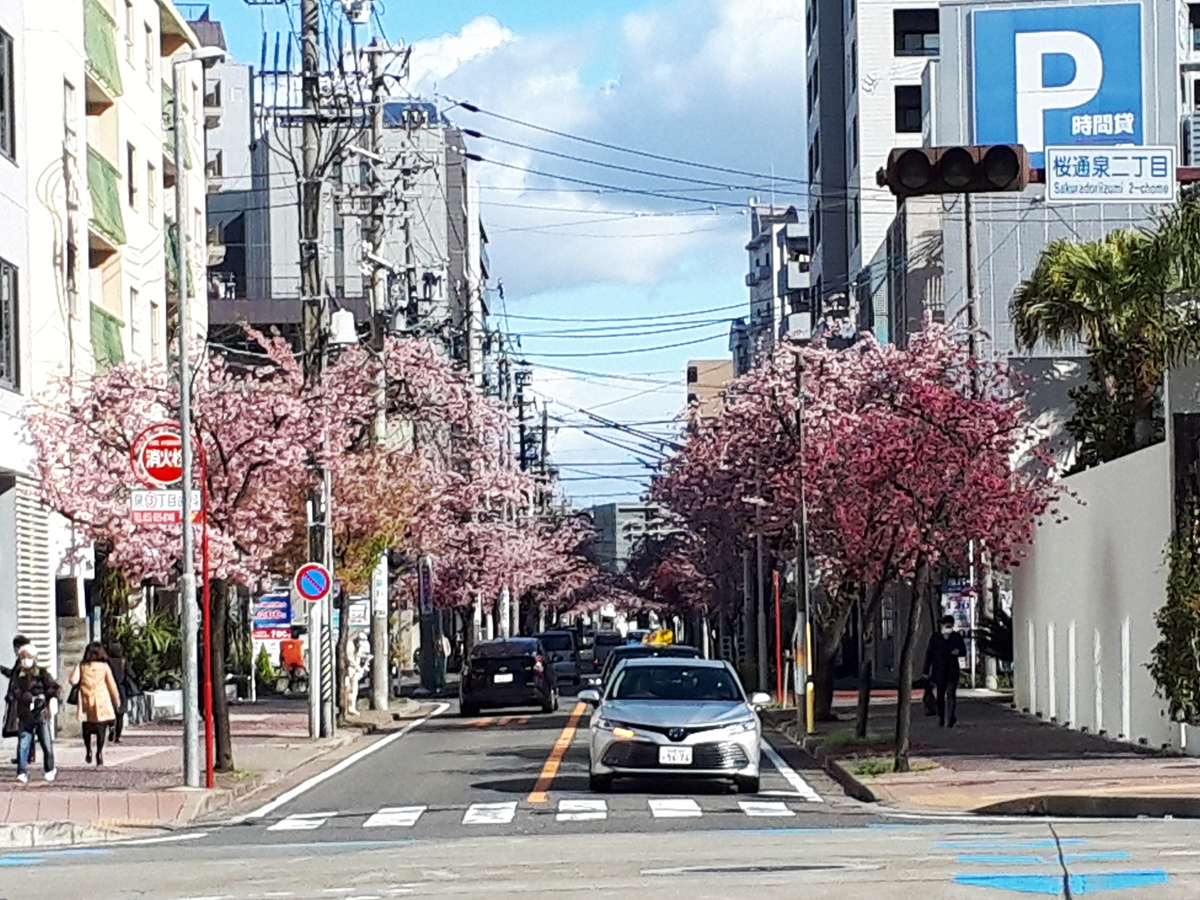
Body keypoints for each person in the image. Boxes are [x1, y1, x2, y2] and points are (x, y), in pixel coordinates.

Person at [3, 645, 60, 782]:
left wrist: (44, 697)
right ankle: (21, 771)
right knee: (23, 743)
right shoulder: (18, 674)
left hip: (41, 714)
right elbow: (13, 692)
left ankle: (49, 769)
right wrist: (23, 697)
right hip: (24, 714)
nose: (25, 660)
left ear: (34, 658)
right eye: (22, 657)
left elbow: (54, 688)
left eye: (28, 657)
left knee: (46, 743)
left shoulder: (41, 672)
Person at [70, 642, 122, 766]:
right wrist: (116, 699)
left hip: (87, 700)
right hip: (102, 700)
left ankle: (88, 750)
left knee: (87, 728)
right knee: (101, 729)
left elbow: (73, 680)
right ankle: (99, 752)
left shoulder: (82, 666)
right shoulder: (104, 667)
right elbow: (111, 685)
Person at [924, 615, 968, 727]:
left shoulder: (956, 637)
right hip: (939, 670)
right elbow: (929, 654)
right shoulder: (936, 637)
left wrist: (957, 652)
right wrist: (925, 670)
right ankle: (941, 717)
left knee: (951, 695)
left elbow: (963, 651)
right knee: (940, 696)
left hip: (952, 671)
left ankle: (951, 717)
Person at [2, 635, 35, 765]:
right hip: (22, 698)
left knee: (23, 727)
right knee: (23, 727)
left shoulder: (25, 661)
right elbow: (14, 675)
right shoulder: (24, 660)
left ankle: (26, 755)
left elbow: (20, 679)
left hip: (21, 699)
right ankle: (25, 755)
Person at [106, 642, 134, 744]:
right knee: (120, 714)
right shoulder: (123, 661)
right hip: (121, 689)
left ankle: (111, 727)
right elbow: (131, 674)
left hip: (108, 689)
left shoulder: (107, 661)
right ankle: (118, 736)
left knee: (109, 711)